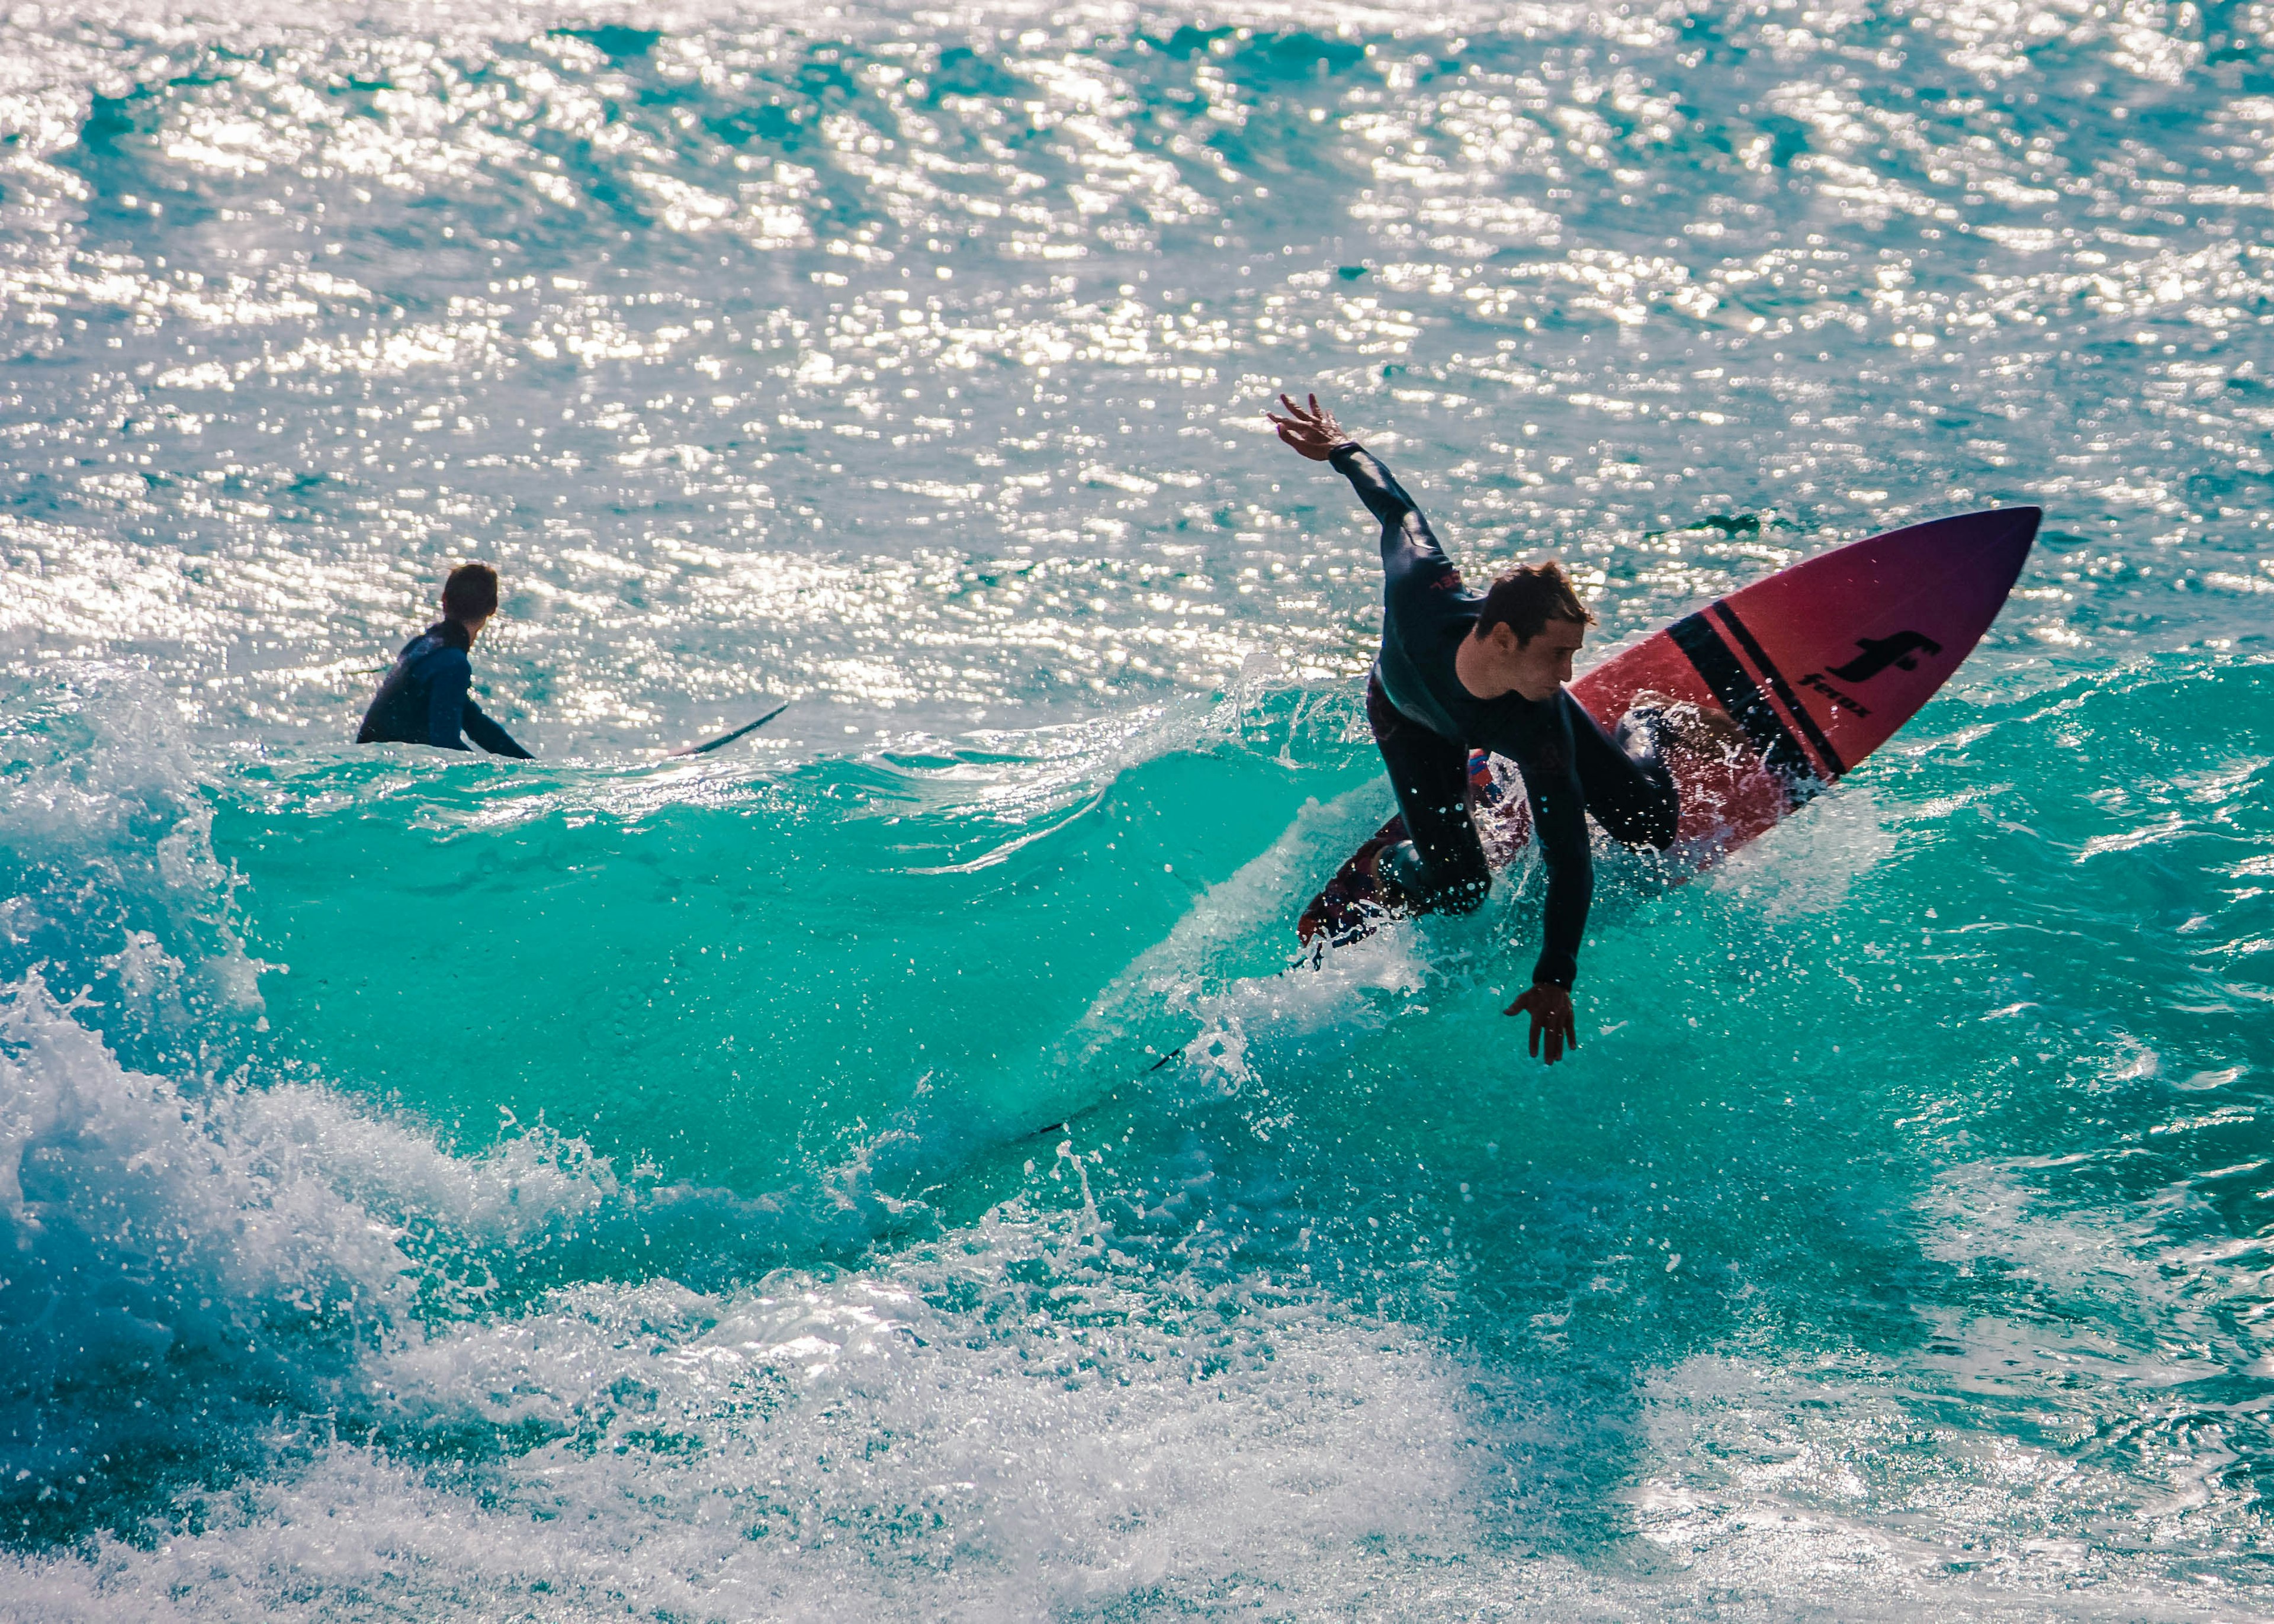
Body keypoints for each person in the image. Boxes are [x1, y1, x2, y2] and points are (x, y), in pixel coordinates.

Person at [1269, 393, 1688, 1065]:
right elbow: (1398, 511)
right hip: (1411, 718)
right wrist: (1341, 448)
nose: (1569, 669)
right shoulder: (1423, 592)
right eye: (1557, 653)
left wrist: (1555, 974)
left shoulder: (1541, 715)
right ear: (1499, 635)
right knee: (1460, 889)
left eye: (1574, 653)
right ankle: (1400, 861)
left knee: (1649, 827)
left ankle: (1647, 723)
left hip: (1504, 721)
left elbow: (1568, 855)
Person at [355, 562, 534, 758]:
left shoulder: (420, 647)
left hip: (369, 761)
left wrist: (532, 768)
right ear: (493, 607)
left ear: (444, 600)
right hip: (393, 768)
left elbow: (476, 724)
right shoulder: (452, 663)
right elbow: (445, 746)